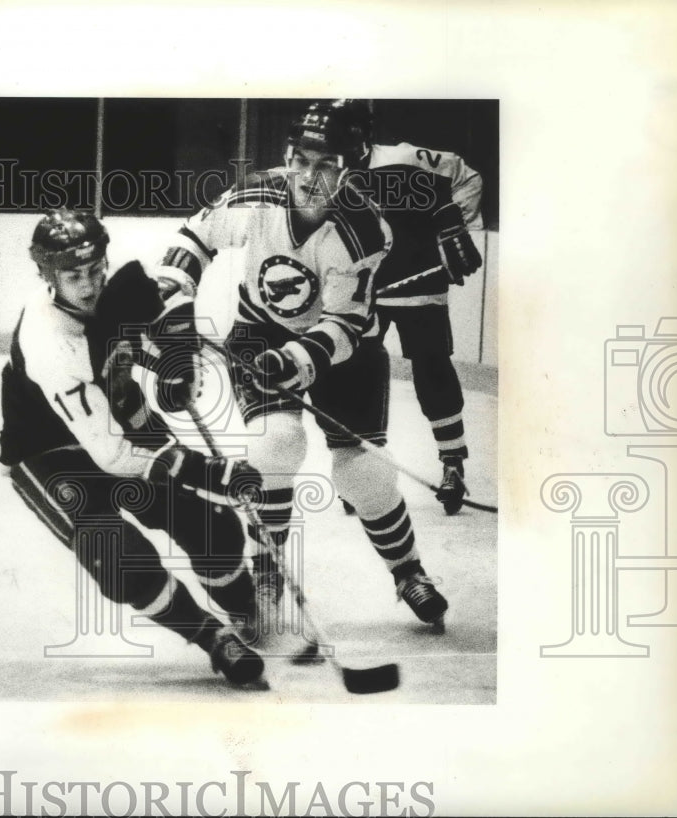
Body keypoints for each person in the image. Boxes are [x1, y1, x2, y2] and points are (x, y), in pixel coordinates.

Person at [152, 99, 449, 635]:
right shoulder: (256, 196)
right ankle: (266, 569)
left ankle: (408, 571)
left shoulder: (365, 230)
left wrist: (295, 359)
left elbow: (343, 324)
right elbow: (193, 239)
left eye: (327, 164)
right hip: (259, 331)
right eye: (302, 160)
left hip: (345, 353)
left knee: (363, 472)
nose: (309, 177)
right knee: (275, 443)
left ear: (350, 168)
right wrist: (175, 302)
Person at [0, 209, 266, 687]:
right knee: (118, 555)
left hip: (113, 425)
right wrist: (210, 474)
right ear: (48, 275)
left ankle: (246, 605)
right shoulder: (47, 341)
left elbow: (166, 303)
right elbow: (113, 456)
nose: (90, 283)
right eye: (74, 275)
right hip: (50, 455)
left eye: (96, 268)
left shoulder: (113, 293)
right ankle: (211, 637)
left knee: (211, 526)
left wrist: (174, 365)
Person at [345, 101, 484, 515]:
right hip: (359, 288)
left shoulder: (406, 158)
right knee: (356, 370)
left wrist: (453, 222)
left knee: (432, 368)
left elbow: (467, 175)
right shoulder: (318, 172)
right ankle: (357, 467)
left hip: (418, 280)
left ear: (362, 137)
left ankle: (453, 462)